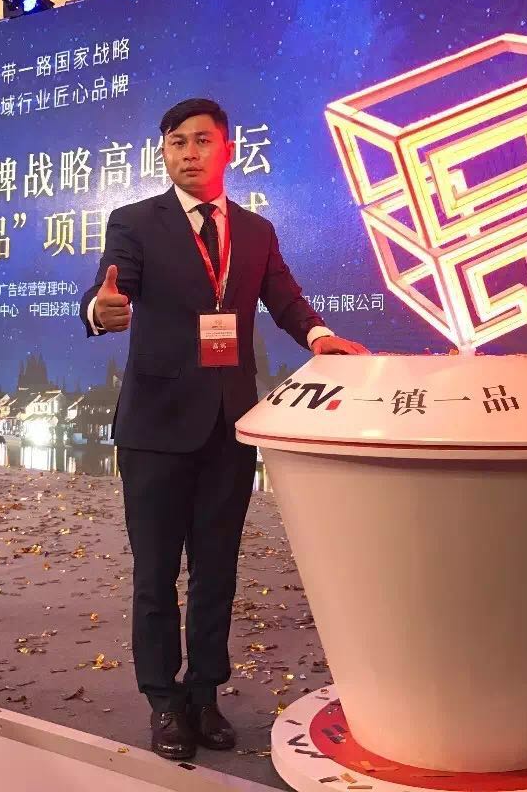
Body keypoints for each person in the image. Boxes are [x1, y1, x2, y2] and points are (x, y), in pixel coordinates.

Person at [80, 97, 369, 761]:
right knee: (156, 575)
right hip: (155, 429)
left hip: (228, 426)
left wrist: (319, 337)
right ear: (163, 153)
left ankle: (204, 693)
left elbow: (286, 299)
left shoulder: (255, 231)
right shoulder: (135, 222)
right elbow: (109, 287)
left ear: (227, 148)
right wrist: (102, 308)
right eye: (176, 142)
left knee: (217, 571)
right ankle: (163, 702)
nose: (189, 152)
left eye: (202, 140)